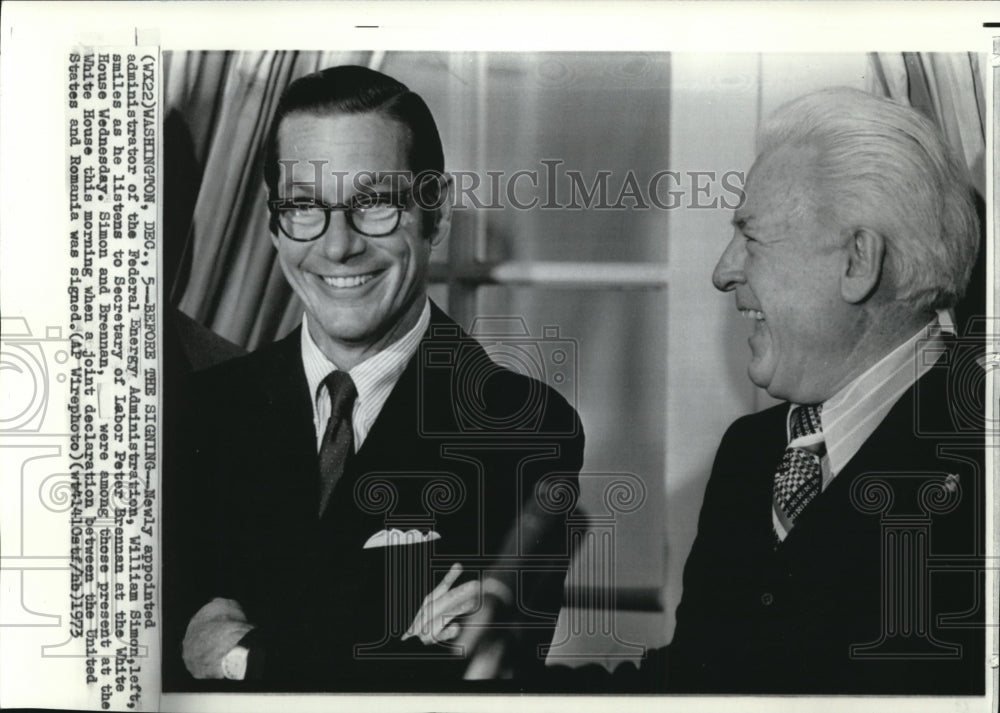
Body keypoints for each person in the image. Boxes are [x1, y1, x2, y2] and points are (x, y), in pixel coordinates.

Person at [530, 87, 985, 693]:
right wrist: (504, 690)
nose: (722, 271)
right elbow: (698, 688)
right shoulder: (752, 453)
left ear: (858, 261)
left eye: (752, 235)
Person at [164, 65, 584, 692]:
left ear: (434, 215)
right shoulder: (196, 410)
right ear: (274, 224)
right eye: (304, 205)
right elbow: (146, 653)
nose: (337, 247)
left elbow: (458, 679)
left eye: (374, 203)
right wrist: (381, 643)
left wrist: (238, 655)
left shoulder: (523, 426)